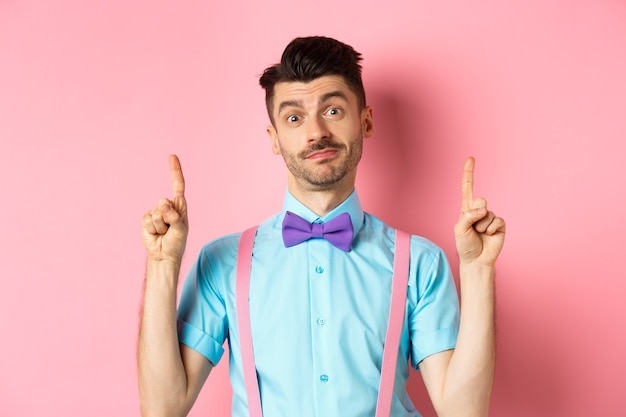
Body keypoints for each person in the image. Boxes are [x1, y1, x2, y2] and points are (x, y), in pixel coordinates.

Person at [138, 36, 506, 417]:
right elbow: (163, 408)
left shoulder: (421, 262)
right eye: (294, 118)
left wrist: (479, 272)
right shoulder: (222, 262)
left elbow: (462, 411)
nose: (316, 132)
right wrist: (162, 266)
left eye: (332, 111)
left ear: (365, 121)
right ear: (275, 139)